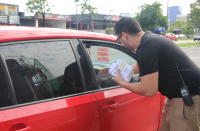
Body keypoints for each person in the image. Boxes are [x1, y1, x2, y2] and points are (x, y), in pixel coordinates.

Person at [100, 17, 200, 131]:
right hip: (177, 98)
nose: (120, 43)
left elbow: (149, 90)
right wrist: (113, 69)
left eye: (119, 40)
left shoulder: (147, 47)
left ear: (124, 35)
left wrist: (122, 83)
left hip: (186, 99)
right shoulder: (149, 40)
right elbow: (139, 67)